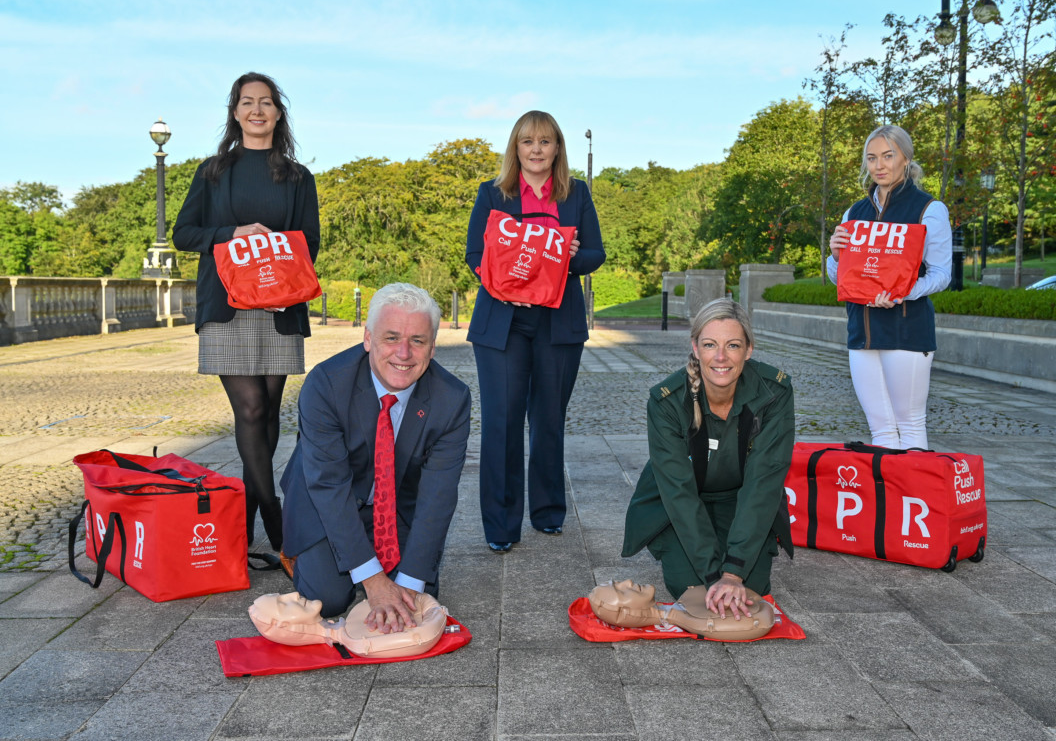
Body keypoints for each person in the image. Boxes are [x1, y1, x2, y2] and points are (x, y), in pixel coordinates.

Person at [173, 72, 320, 554]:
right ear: (235, 112)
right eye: (247, 102)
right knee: (251, 409)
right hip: (227, 307)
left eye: (267, 103)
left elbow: (309, 243)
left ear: (279, 112)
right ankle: (274, 515)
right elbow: (184, 234)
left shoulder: (299, 177)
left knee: (269, 416)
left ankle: (247, 512)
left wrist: (283, 277)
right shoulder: (212, 171)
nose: (257, 110)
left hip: (279, 307)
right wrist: (233, 233)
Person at [280, 283, 471, 632]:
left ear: (433, 346)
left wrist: (408, 587)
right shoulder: (326, 383)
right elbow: (329, 485)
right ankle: (298, 553)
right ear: (368, 339)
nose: (404, 353)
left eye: (418, 340)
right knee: (329, 599)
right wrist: (374, 582)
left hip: (396, 503)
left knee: (417, 592)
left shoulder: (452, 399)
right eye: (391, 337)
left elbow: (438, 496)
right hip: (327, 500)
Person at [465, 110, 605, 553]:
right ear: (516, 148)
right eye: (528, 142)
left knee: (547, 420)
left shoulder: (576, 194)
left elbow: (596, 254)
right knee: (502, 423)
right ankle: (501, 526)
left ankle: (547, 514)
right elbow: (474, 254)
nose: (537, 149)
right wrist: (507, 283)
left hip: (557, 319)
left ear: (557, 148)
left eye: (545, 141)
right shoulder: (492, 194)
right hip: (503, 320)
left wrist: (570, 256)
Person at [621, 298, 794, 619]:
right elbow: (679, 493)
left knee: (752, 585)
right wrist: (716, 576)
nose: (720, 357)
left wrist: (733, 572)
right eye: (710, 344)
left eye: (733, 345)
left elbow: (763, 483)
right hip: (677, 505)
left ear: (749, 350)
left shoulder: (774, 394)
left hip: (739, 497)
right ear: (695, 347)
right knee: (693, 588)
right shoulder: (667, 402)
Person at [826, 125, 951, 449]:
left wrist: (901, 293)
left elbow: (941, 274)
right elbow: (843, 278)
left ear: (905, 159)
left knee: (909, 426)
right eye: (871, 158)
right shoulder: (855, 212)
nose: (879, 165)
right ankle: (891, 501)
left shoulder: (928, 209)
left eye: (888, 156)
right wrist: (836, 255)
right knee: (880, 431)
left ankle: (915, 498)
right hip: (862, 331)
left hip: (906, 330)